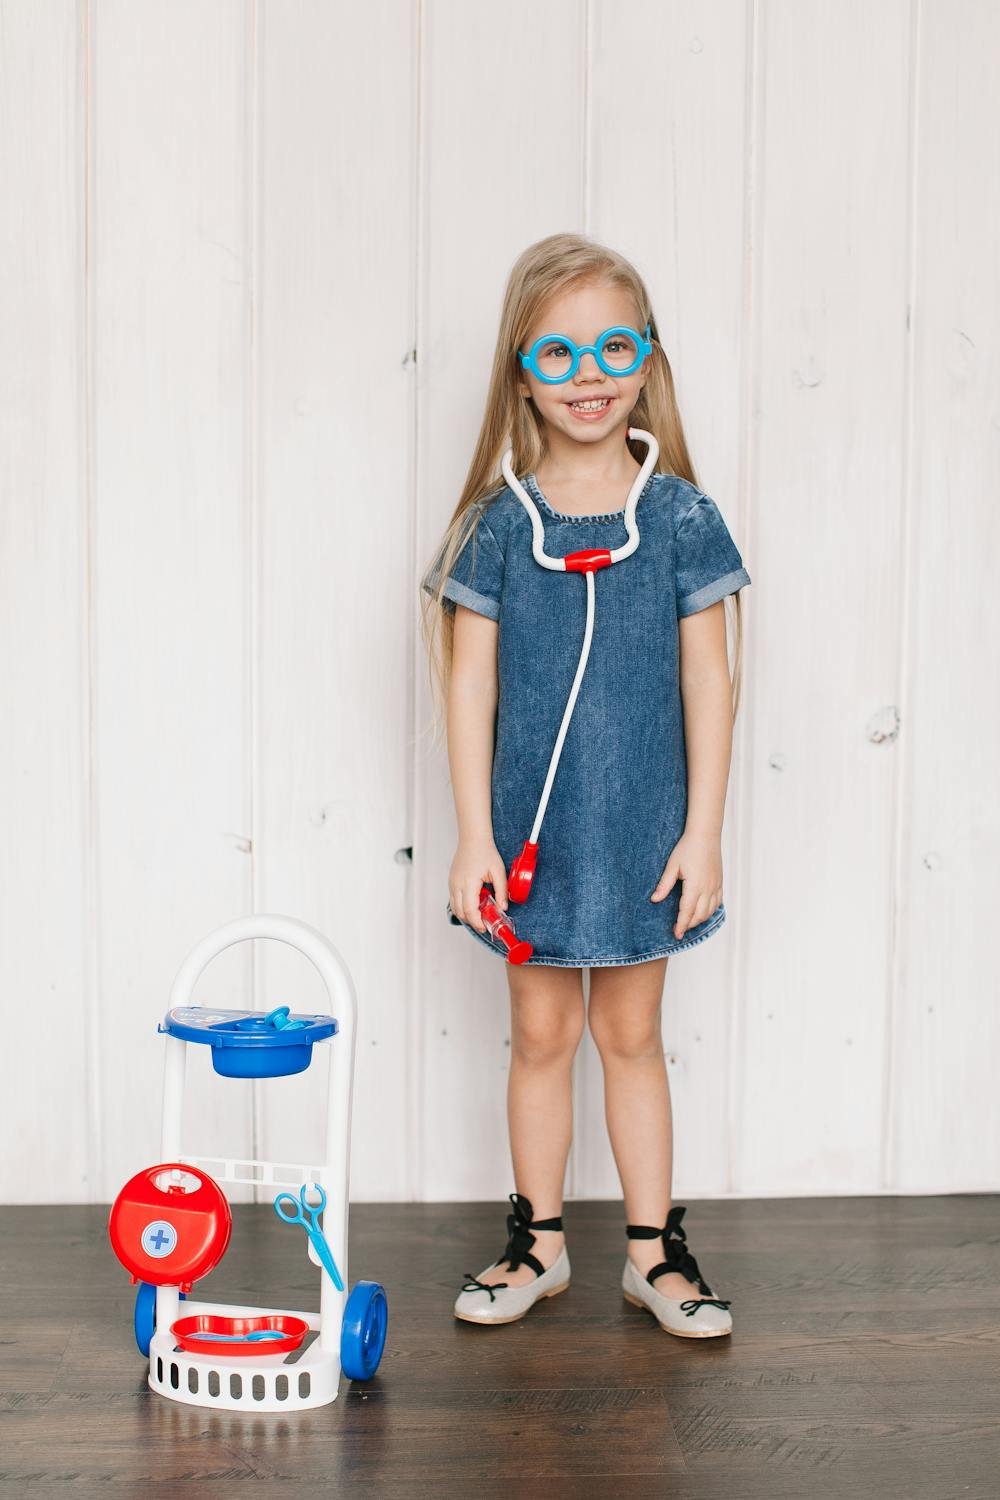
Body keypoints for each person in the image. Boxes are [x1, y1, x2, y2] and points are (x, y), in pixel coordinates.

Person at [419, 232, 750, 1338]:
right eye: (556, 355)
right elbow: (468, 686)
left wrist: (703, 832)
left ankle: (654, 1254)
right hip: (532, 841)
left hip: (643, 834)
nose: (588, 376)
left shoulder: (682, 517)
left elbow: (711, 678)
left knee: (632, 1038)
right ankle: (539, 1245)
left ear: (647, 358)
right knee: (541, 1035)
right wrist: (474, 836)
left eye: (612, 347)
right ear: (520, 371)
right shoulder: (500, 528)